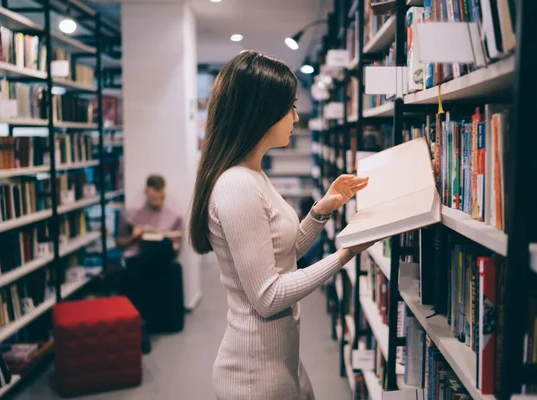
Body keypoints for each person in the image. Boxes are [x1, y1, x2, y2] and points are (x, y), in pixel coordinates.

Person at [189, 51, 375, 400]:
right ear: (262, 111)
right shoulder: (237, 185)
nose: (295, 117)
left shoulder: (254, 174)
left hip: (277, 359)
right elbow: (268, 297)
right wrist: (344, 255)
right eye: (289, 106)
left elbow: (280, 252)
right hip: (254, 374)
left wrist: (322, 210)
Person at [117, 174, 184, 353]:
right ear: (146, 192)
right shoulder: (131, 214)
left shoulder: (174, 215)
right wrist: (134, 236)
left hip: (159, 259)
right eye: (155, 198)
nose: (159, 201)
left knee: (163, 246)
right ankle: (141, 328)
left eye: (162, 197)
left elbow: (178, 249)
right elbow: (119, 243)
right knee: (136, 266)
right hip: (140, 256)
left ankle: (142, 327)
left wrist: (172, 245)